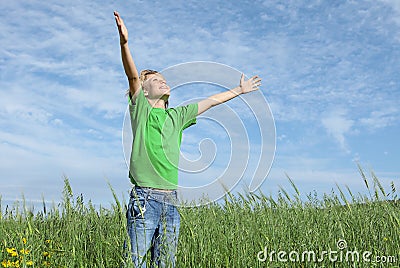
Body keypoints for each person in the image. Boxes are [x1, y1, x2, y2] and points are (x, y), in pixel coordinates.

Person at [114, 11, 262, 267]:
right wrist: (124, 42)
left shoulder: (179, 116)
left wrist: (240, 90)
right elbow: (132, 75)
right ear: (143, 89)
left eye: (163, 79)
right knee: (133, 262)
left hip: (171, 201)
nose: (162, 82)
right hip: (144, 200)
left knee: (166, 262)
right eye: (155, 80)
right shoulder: (141, 110)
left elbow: (210, 102)